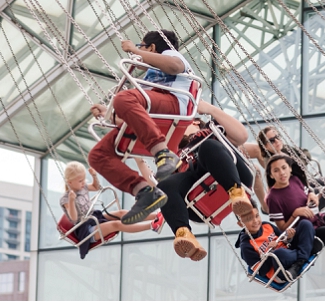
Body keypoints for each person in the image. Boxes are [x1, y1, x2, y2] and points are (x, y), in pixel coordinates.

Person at [85, 29, 197, 224]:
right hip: (153, 116)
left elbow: (175, 66)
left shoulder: (169, 55)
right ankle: (144, 191)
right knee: (97, 156)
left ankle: (162, 153)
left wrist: (136, 52)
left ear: (151, 48)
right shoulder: (145, 82)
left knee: (123, 97)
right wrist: (108, 113)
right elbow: (133, 115)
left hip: (171, 103)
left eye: (142, 47)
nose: (138, 52)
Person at [153, 103, 262, 261]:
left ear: (195, 122)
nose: (176, 131)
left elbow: (242, 136)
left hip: (231, 172)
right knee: (163, 186)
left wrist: (209, 109)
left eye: (181, 125)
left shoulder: (212, 130)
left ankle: (236, 193)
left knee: (208, 146)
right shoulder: (174, 154)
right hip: (195, 192)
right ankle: (184, 233)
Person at [57, 161, 161, 259]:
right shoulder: (65, 199)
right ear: (70, 182)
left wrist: (94, 175)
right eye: (80, 181)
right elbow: (74, 219)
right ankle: (152, 225)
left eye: (84, 179)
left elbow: (96, 187)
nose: (83, 182)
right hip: (85, 230)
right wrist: (71, 201)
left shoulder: (82, 187)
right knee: (116, 224)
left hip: (94, 217)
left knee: (121, 213)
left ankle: (156, 215)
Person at [242, 153, 321, 279]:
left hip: (291, 254)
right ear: (240, 223)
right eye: (249, 219)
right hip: (280, 266)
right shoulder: (247, 246)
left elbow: (285, 239)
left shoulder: (267, 226)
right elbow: (261, 271)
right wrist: (269, 252)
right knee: (279, 254)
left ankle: (301, 259)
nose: (256, 221)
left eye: (257, 216)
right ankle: (305, 252)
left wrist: (288, 237)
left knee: (305, 224)